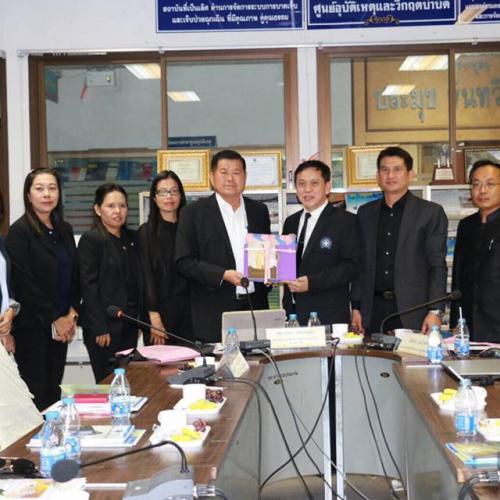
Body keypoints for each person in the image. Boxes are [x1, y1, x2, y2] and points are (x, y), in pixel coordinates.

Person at [175, 149, 271, 343]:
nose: (230, 179)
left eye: (236, 172)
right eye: (224, 172)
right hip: (214, 311)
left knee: (259, 361)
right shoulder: (192, 213)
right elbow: (183, 262)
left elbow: (265, 255)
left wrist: (271, 271)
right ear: (212, 177)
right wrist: (223, 274)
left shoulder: (259, 210)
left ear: (245, 177)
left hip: (255, 307)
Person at [351, 146, 448, 335]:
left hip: (414, 310)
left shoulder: (430, 213)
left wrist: (435, 310)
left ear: (410, 174)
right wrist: (356, 306)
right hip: (372, 309)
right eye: (384, 169)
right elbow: (360, 264)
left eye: (397, 169)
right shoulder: (365, 213)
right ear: (378, 176)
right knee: (370, 354)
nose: (390, 175)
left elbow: (437, 266)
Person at [6, 168, 79, 410]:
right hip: (32, 328)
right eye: (39, 189)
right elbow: (24, 284)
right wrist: (56, 318)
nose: (47, 194)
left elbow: (74, 274)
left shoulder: (64, 229)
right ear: (29, 195)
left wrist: (71, 313)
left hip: (62, 327)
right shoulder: (19, 232)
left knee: (54, 393)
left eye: (52, 188)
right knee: (38, 395)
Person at [282, 160, 361, 325]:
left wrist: (312, 283)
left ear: (327, 187)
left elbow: (351, 267)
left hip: (328, 314)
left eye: (314, 183)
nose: (307, 189)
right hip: (293, 313)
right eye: (301, 184)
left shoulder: (346, 221)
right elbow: (285, 264)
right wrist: (272, 273)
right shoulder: (291, 222)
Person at [79, 184, 142, 382]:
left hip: (128, 324)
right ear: (98, 210)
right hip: (104, 328)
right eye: (111, 206)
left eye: (122, 206)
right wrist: (100, 327)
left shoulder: (131, 238)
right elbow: (88, 286)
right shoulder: (92, 239)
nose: (118, 211)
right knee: (108, 382)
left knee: (128, 382)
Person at [139, 171, 192, 345]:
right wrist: (154, 318)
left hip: (190, 317)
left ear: (181, 195)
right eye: (163, 192)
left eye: (174, 191)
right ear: (154, 198)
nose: (169, 196)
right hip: (159, 319)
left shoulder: (190, 230)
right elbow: (145, 276)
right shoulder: (146, 232)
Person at [451, 159, 500, 342]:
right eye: (476, 184)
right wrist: (456, 322)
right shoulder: (466, 225)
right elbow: (458, 277)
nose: (482, 190)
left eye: (490, 184)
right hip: (470, 326)